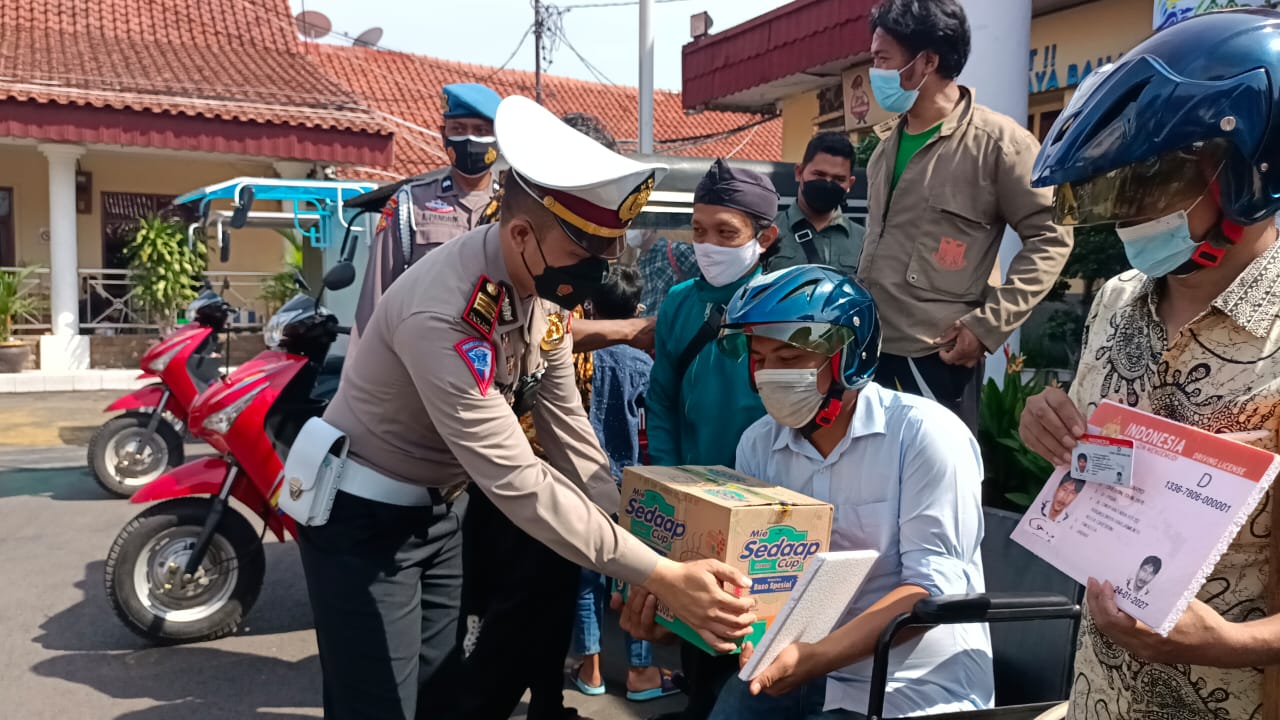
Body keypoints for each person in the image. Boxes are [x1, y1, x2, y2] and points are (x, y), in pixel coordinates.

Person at [293, 95, 756, 720]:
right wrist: (660, 575)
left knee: (440, 700)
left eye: (605, 258)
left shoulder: (537, 290)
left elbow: (573, 440)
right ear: (520, 234)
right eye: (584, 258)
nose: (594, 276)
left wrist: (646, 536)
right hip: (362, 517)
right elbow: (519, 478)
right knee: (378, 707)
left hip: (438, 513)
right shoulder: (447, 315)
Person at [1016, 9, 1280, 720]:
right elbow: (1099, 470)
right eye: (1118, 189)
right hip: (1096, 695)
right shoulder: (1117, 300)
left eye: (1152, 186)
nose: (1130, 216)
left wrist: (1222, 642)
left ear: (1249, 167)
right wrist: (1050, 431)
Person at [625, 265, 994, 719]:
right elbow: (752, 578)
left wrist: (814, 656)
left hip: (911, 685)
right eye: (759, 359)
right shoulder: (759, 443)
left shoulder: (924, 436)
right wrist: (679, 614)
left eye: (788, 358)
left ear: (848, 359)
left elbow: (932, 592)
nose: (767, 376)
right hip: (793, 662)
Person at [856, 0, 1072, 433]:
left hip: (936, 359)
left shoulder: (999, 144)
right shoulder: (884, 148)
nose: (873, 71)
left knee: (934, 492)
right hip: (870, 352)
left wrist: (988, 326)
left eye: (883, 59)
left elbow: (1052, 236)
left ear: (927, 62)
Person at [645, 158, 779, 720]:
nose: (708, 245)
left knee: (764, 656)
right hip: (701, 501)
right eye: (699, 231)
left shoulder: (786, 299)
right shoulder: (679, 301)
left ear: (764, 237)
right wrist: (676, 486)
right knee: (704, 650)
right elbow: (662, 400)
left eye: (726, 233)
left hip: (772, 508)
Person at [570, 265, 679, 703]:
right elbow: (651, 425)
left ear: (590, 308)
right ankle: (641, 671)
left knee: (586, 576)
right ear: (636, 310)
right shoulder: (642, 362)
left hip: (582, 478)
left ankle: (590, 668)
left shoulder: (579, 356)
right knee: (638, 574)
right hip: (632, 484)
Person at [354, 83, 503, 335]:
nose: (469, 139)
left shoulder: (512, 207)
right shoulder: (409, 204)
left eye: (480, 131)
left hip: (497, 360)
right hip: (423, 354)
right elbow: (376, 296)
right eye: (458, 130)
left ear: (498, 138)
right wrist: (362, 372)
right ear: (444, 135)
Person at [763, 132, 864, 277]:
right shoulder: (766, 233)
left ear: (850, 184)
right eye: (819, 175)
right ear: (799, 172)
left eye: (838, 179)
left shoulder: (864, 242)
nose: (828, 183)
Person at [629, 227, 700, 318]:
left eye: (633, 226)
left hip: (675, 327)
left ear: (650, 228)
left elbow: (706, 285)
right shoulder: (638, 264)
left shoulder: (677, 250)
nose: (628, 232)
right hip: (647, 329)